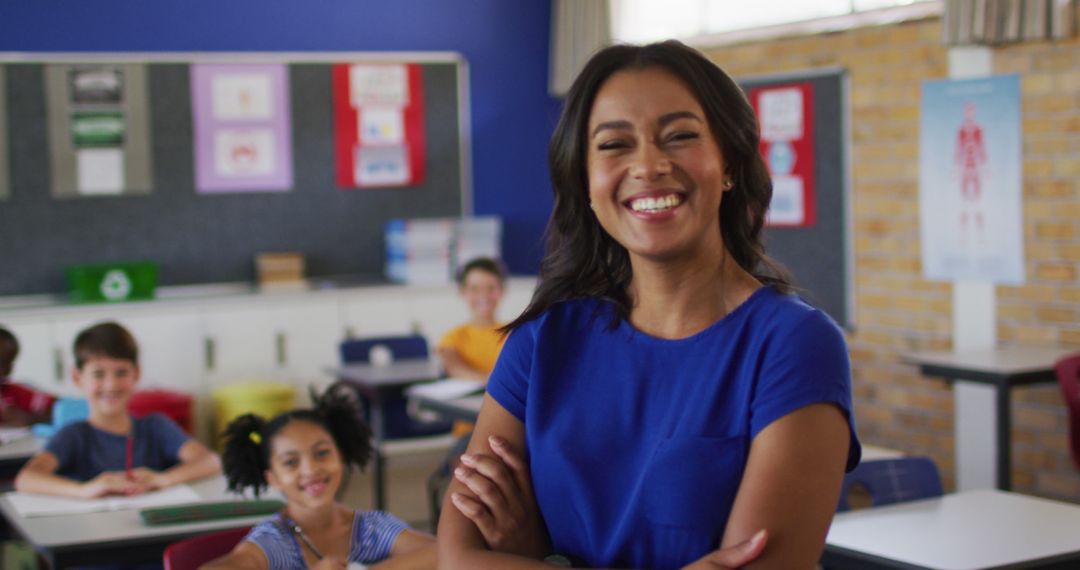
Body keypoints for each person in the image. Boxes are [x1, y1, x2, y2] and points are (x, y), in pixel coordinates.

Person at [437, 40, 861, 570]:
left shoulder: (793, 345)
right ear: (585, 183)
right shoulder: (543, 340)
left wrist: (541, 560)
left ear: (729, 163)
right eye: (615, 144)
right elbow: (459, 559)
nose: (649, 165)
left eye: (681, 136)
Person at [202, 386, 436, 570]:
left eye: (322, 453)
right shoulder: (274, 542)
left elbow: (449, 553)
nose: (311, 469)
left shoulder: (371, 529)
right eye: (291, 462)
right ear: (272, 478)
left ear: (341, 456)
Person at [15, 321, 221, 498]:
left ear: (136, 374)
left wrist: (163, 479)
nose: (111, 385)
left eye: (121, 373)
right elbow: (26, 479)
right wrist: (85, 489)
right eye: (98, 374)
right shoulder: (74, 434)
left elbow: (210, 461)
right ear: (78, 377)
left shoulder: (156, 426)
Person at [436, 257, 508, 383]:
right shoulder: (453, 337)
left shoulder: (513, 333)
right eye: (474, 289)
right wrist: (495, 383)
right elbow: (454, 368)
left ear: (502, 291)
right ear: (462, 292)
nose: (484, 295)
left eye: (491, 288)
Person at [0, 326, 56, 426]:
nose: (6, 371)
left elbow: (63, 407)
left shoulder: (12, 393)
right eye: (2, 363)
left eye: (8, 363)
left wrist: (31, 419)